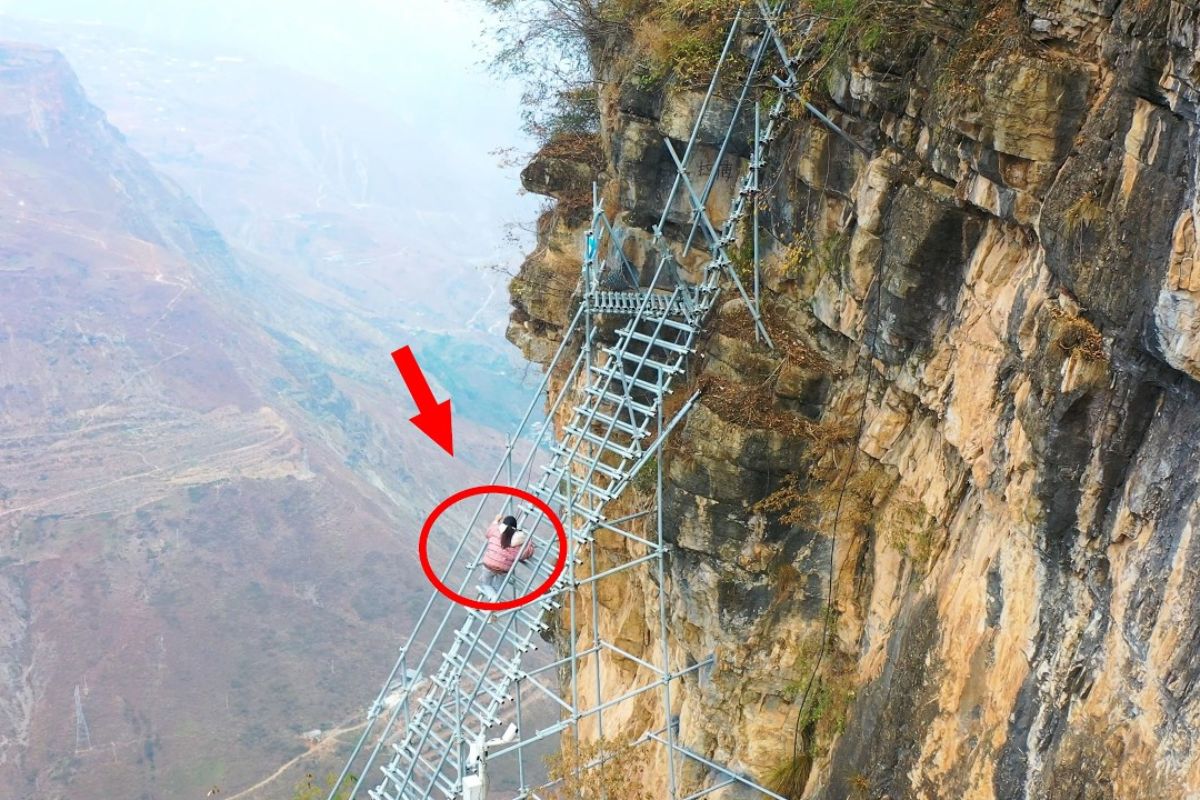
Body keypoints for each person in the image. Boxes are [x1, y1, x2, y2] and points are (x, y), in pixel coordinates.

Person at [480, 514, 534, 600]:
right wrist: (529, 541)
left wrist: (496, 520)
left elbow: (488, 532)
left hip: (489, 564)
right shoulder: (519, 541)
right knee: (497, 589)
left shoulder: (496, 531)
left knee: (485, 584)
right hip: (503, 570)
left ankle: (494, 600)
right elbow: (526, 554)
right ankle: (494, 602)